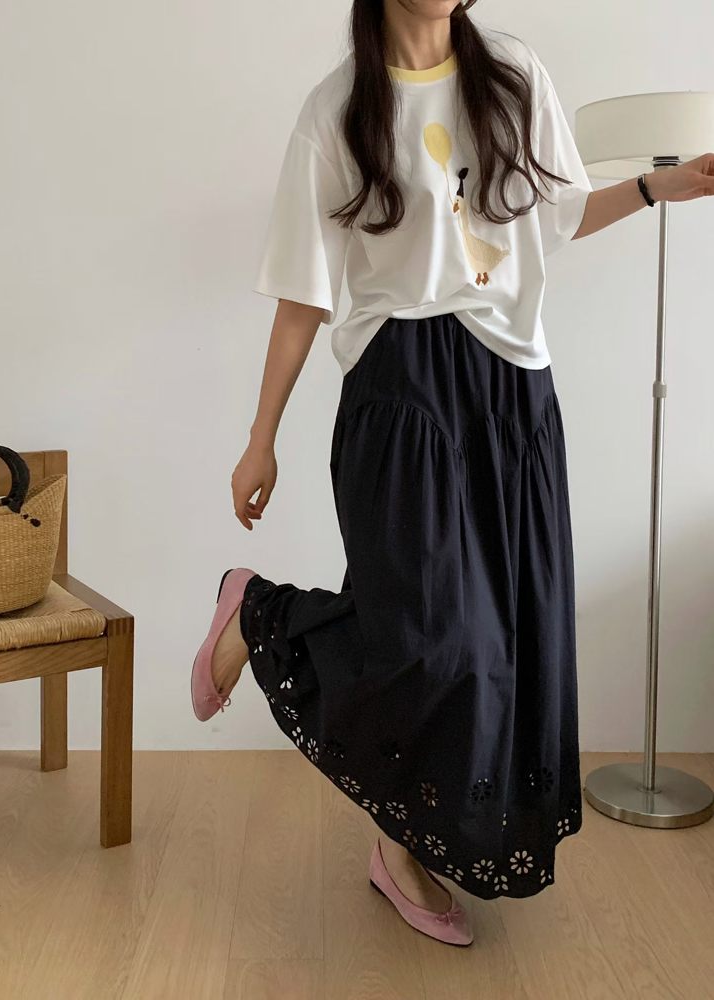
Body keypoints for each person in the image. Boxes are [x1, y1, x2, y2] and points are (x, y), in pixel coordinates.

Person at [191, 0, 714, 947]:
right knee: (432, 643)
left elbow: (555, 218)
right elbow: (304, 292)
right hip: (402, 391)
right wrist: (260, 437)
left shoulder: (512, 75)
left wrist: (654, 187)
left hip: (513, 393)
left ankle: (397, 850)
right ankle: (256, 616)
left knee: (506, 643)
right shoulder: (337, 109)